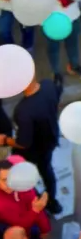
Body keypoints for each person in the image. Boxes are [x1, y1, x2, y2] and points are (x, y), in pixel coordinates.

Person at [8, 78, 62, 214]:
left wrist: (5, 140)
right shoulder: (48, 85)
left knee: (22, 173)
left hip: (32, 150)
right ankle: (51, 201)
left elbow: (23, 142)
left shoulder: (23, 110)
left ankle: (35, 200)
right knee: (47, 170)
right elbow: (57, 98)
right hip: (50, 140)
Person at [0, 160, 51, 238]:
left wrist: (45, 230)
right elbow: (20, 226)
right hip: (11, 226)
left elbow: (39, 209)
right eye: (4, 180)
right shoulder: (2, 204)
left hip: (29, 215)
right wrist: (35, 210)